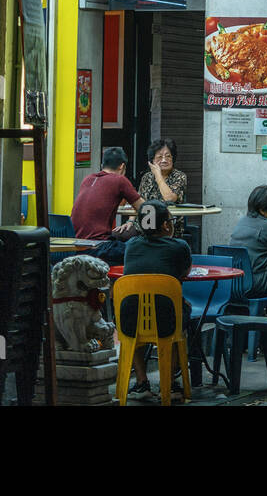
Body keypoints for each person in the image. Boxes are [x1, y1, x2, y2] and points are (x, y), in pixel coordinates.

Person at [122, 200, 193, 395]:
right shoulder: (179, 246)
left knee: (137, 317)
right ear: (164, 225)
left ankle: (141, 381)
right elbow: (184, 272)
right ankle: (168, 383)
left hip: (129, 322)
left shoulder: (131, 246)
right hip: (165, 322)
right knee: (182, 309)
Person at [70, 147, 144, 265]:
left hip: (76, 247)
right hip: (98, 248)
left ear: (102, 164)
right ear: (122, 166)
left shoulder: (88, 179)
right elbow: (145, 209)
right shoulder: (120, 180)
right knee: (143, 250)